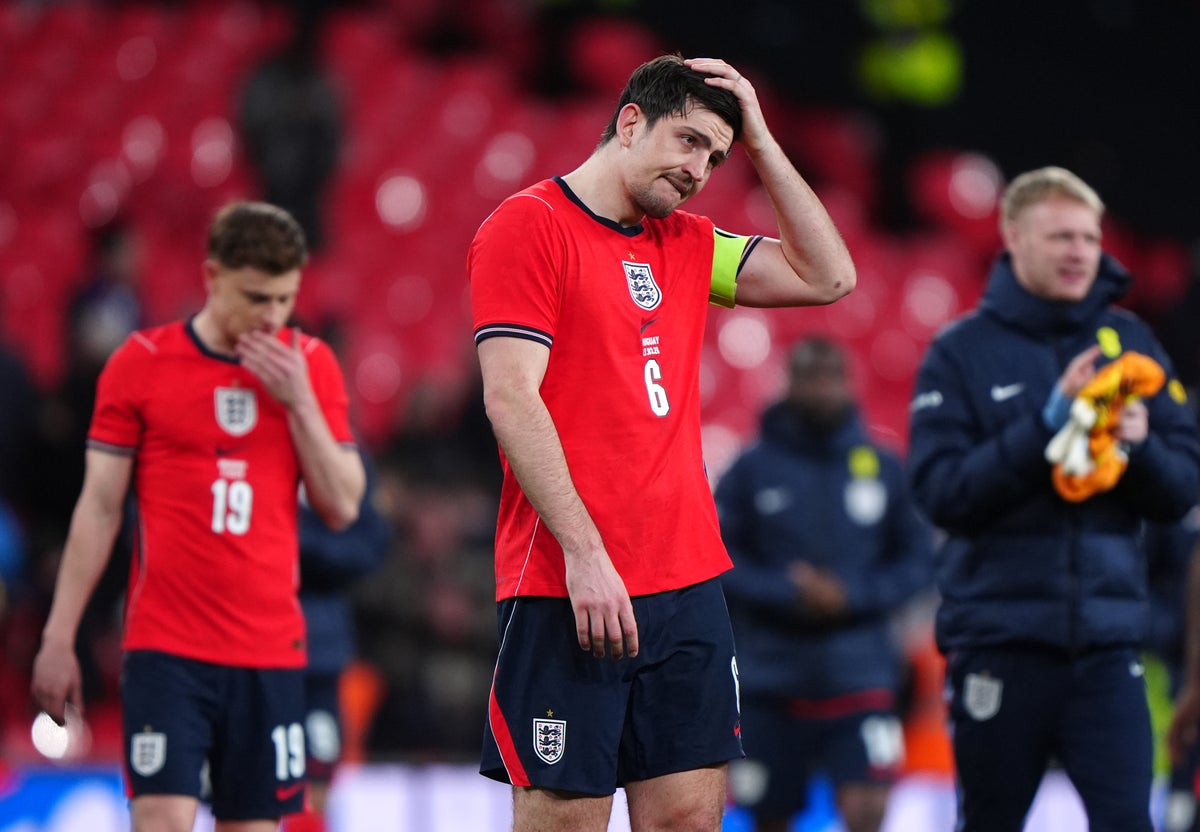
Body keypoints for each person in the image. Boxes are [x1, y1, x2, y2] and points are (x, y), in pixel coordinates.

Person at [467, 53, 856, 832]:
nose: (698, 169)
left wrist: (762, 145)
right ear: (631, 121)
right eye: (688, 142)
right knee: (567, 822)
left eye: (714, 156)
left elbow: (829, 277)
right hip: (565, 583)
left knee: (688, 820)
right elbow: (512, 396)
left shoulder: (688, 243)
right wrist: (583, 552)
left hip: (686, 586)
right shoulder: (529, 224)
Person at [30, 201, 366, 832]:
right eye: (256, 297)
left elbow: (343, 505)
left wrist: (299, 406)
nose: (272, 318)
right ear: (212, 277)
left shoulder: (309, 367)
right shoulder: (141, 364)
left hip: (269, 653)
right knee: (159, 819)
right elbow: (99, 508)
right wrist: (58, 634)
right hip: (167, 651)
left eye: (285, 299)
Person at [906, 165, 1200, 832]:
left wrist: (1138, 448)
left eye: (1089, 238)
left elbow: (1182, 489)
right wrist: (1046, 425)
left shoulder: (1132, 344)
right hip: (1000, 651)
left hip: (1108, 654)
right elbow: (940, 494)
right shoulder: (961, 353)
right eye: (1060, 236)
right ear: (1013, 237)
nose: (1079, 251)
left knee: (1130, 822)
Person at [714, 336, 934, 832]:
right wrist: (787, 591)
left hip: (861, 674)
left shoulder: (881, 466)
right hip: (771, 678)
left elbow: (919, 564)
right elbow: (719, 561)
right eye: (809, 377)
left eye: (830, 377)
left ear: (847, 384)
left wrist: (851, 594)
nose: (821, 388)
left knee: (868, 809)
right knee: (768, 817)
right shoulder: (751, 471)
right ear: (788, 383)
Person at [281, 449, 389, 832]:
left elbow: (370, 543)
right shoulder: (246, 438)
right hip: (247, 648)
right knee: (247, 783)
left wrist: (296, 549)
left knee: (316, 778)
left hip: (319, 655)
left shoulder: (344, 452)